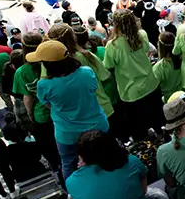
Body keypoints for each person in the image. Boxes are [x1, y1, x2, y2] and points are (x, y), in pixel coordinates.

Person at [28, 39, 109, 181]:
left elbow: (48, 104)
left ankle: (72, 193)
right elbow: (93, 89)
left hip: (68, 134)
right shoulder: (86, 72)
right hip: (97, 126)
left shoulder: (44, 85)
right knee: (106, 156)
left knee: (69, 164)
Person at [103, 9, 164, 141]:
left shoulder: (112, 45)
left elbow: (107, 66)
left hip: (130, 91)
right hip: (150, 83)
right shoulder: (142, 35)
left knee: (138, 124)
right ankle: (161, 135)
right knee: (157, 116)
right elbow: (147, 49)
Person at [12, 32, 60, 172]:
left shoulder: (21, 72)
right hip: (61, 107)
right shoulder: (52, 61)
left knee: (51, 149)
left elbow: (27, 97)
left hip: (41, 115)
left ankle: (59, 173)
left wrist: (30, 114)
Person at [47, 23, 115, 124]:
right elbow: (104, 76)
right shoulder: (84, 56)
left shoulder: (49, 64)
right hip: (98, 105)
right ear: (72, 37)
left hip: (76, 115)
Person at [153, 31, 183, 102]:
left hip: (169, 100)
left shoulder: (159, 67)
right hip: (184, 95)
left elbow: (153, 87)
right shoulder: (183, 59)